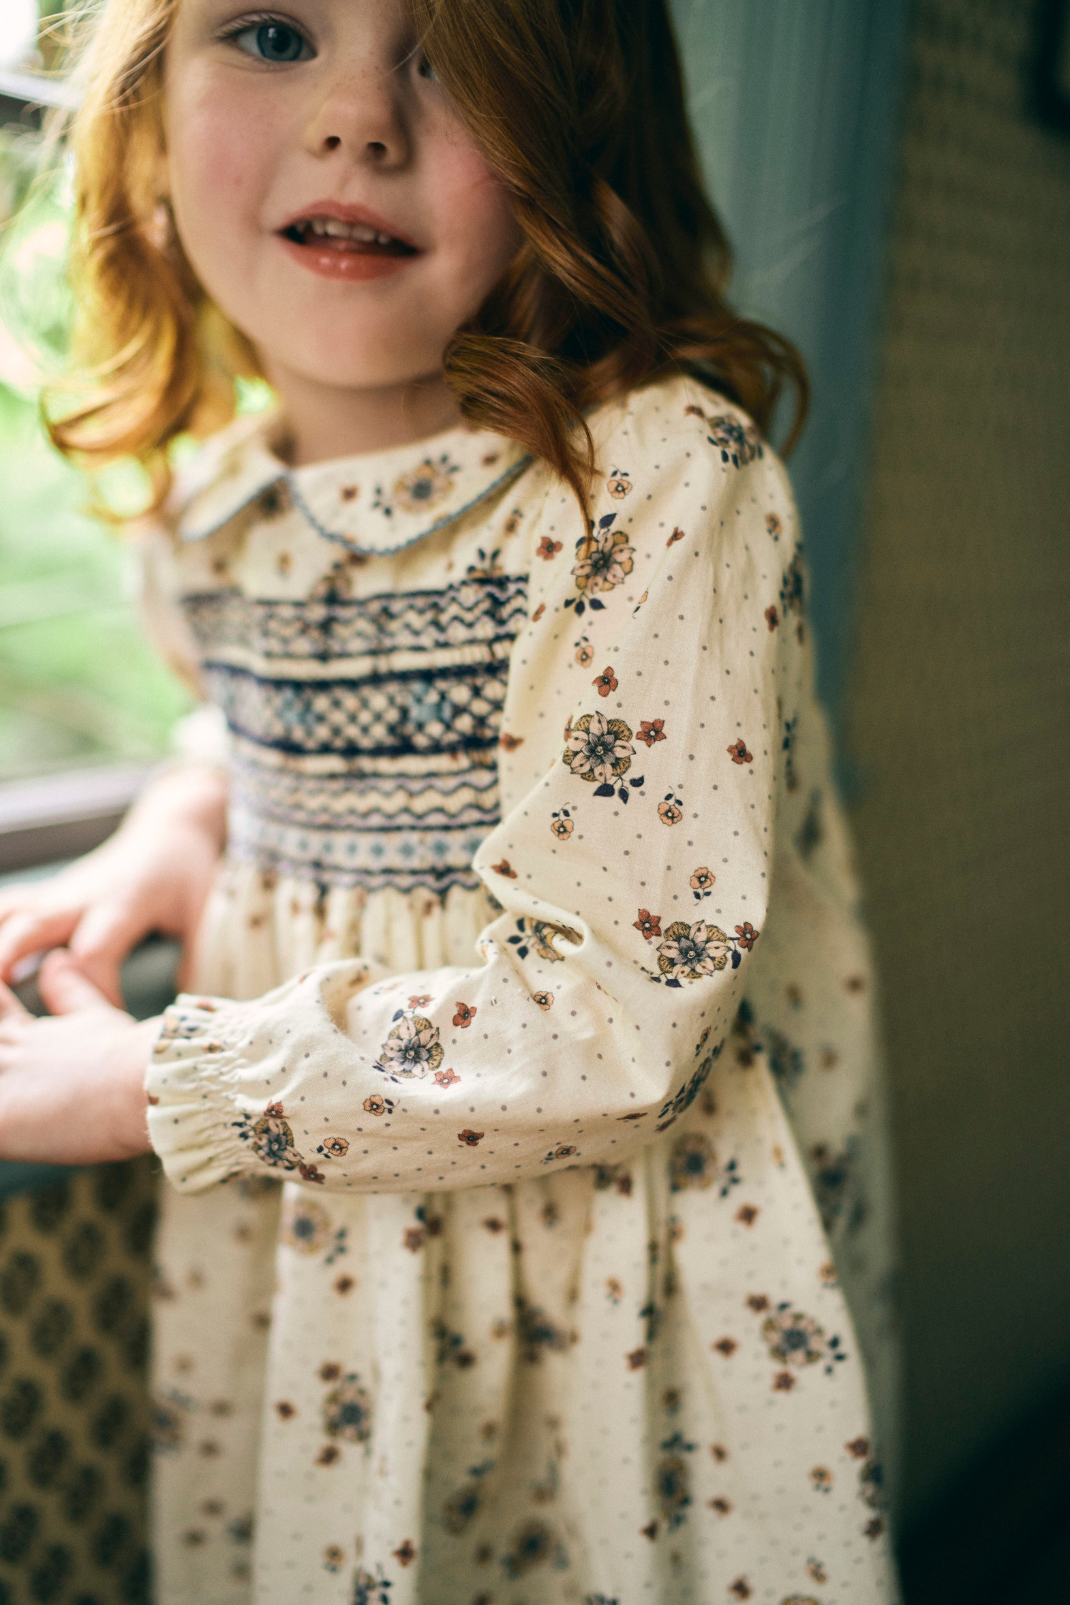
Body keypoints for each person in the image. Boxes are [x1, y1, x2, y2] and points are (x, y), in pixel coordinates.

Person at [0, 0, 899, 1599]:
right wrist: (183, 820)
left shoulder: (648, 488)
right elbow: (250, 718)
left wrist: (139, 1080)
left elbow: (621, 1012)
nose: (359, 116)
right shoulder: (212, 513)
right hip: (314, 1271)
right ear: (138, 113)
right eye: (273, 31)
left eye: (451, 55)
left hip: (606, 1300)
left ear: (579, 134)